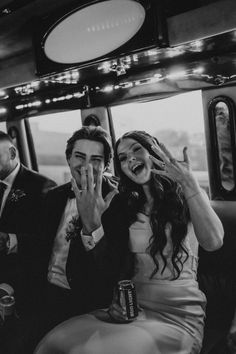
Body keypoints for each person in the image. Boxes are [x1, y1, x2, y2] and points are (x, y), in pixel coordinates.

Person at [35, 130, 224, 354]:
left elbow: (213, 241)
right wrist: (92, 225)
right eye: (123, 158)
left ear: (154, 152)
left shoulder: (187, 193)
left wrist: (188, 182)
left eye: (136, 150)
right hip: (133, 308)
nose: (130, 159)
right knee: (54, 342)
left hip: (178, 312)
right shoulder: (121, 205)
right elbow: (110, 266)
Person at [8, 126, 123, 354]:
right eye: (79, 156)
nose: (86, 165)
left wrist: (93, 225)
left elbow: (113, 270)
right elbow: (42, 244)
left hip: (84, 304)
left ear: (107, 165)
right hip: (42, 294)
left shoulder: (118, 203)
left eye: (96, 159)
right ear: (69, 159)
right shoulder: (54, 196)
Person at [0, 131, 56, 312]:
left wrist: (9, 240)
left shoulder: (42, 187)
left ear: (13, 154)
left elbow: (46, 242)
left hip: (21, 279)